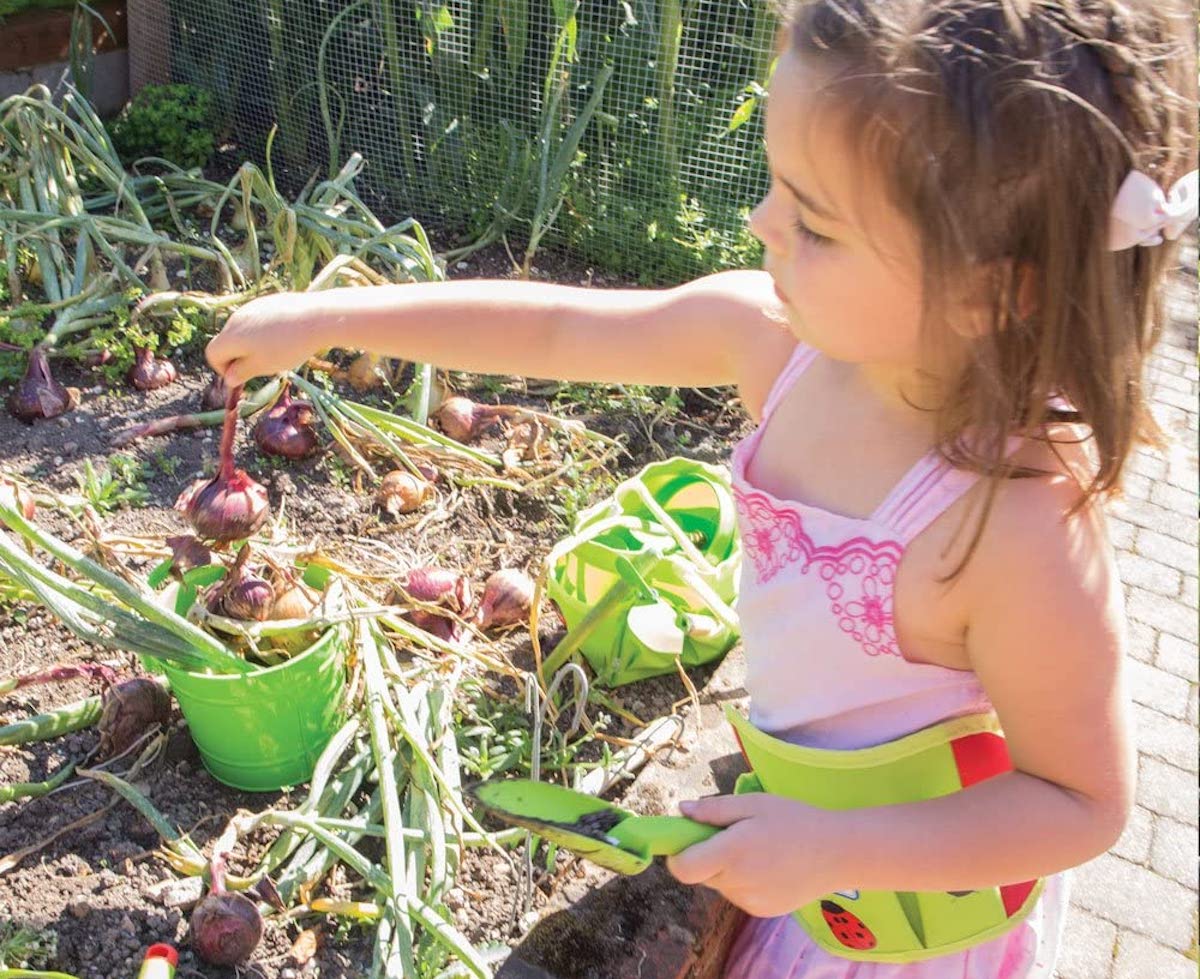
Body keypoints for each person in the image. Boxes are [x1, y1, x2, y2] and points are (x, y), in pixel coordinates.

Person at [205, 0, 1197, 975]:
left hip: (905, 923)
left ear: (990, 289)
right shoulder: (777, 345)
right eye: (776, 186)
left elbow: (1081, 804)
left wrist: (832, 846)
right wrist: (330, 315)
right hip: (798, 856)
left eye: (814, 220)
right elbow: (558, 330)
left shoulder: (1016, 519)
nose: (760, 223)